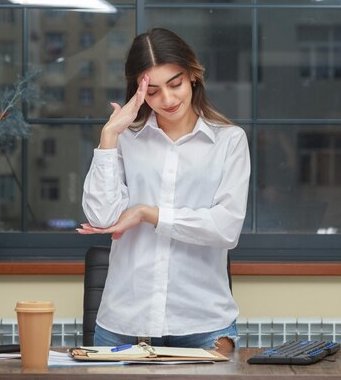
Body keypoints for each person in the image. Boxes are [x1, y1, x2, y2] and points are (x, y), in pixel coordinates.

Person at [78, 28, 250, 351]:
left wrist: (148, 214)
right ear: (139, 93)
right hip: (124, 324)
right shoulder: (125, 139)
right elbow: (102, 217)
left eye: (175, 84)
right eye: (153, 91)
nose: (168, 100)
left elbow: (226, 229)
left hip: (204, 323)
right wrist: (109, 134)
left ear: (193, 76)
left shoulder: (229, 141)